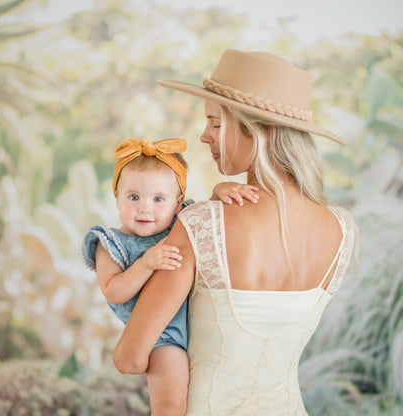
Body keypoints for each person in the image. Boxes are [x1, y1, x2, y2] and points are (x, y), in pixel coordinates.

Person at [111, 50, 357, 415]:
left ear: (261, 130)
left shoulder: (202, 226)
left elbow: (130, 358)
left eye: (215, 123)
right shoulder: (342, 229)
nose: (203, 136)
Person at [82, 137, 259, 415]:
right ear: (116, 197)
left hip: (197, 323)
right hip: (162, 338)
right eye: (133, 197)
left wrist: (219, 192)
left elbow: (206, 217)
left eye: (158, 199)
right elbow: (113, 291)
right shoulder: (111, 243)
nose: (145, 208)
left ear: (177, 204)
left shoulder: (181, 223)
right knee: (171, 405)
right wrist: (145, 265)